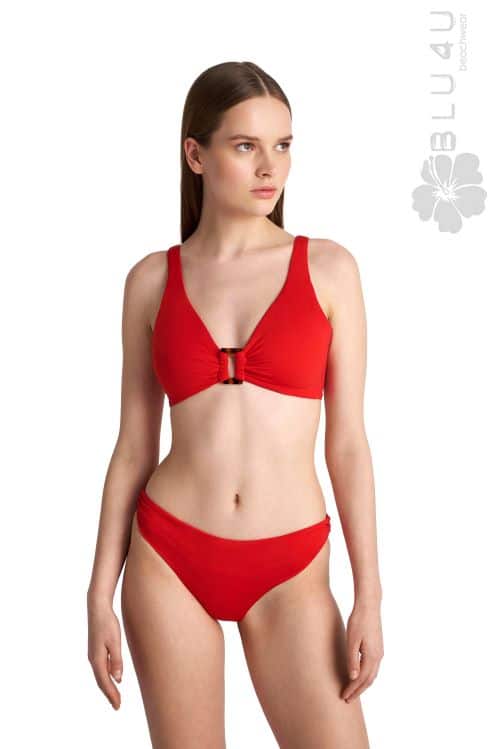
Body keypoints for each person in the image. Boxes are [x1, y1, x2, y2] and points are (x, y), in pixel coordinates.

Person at [87, 60, 383, 748]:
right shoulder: (151, 280)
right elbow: (133, 446)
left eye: (283, 145)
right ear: (195, 154)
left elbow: (348, 444)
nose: (269, 166)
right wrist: (99, 591)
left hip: (291, 567)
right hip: (169, 557)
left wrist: (369, 593)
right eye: (245, 145)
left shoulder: (329, 269)